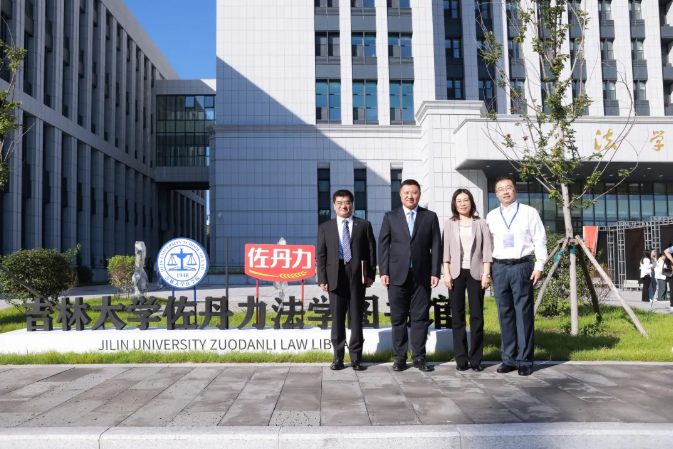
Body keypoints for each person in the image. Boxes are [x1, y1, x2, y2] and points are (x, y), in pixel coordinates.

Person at [486, 177, 547, 377]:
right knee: (504, 313)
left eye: (508, 188)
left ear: (515, 190)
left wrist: (539, 265)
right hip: (499, 267)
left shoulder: (529, 212)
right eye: (500, 189)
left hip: (522, 266)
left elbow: (540, 240)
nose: (505, 192)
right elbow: (488, 245)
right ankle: (508, 359)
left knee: (523, 313)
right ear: (496, 194)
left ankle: (525, 360)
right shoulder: (491, 216)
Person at [379, 179, 441, 372]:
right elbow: (383, 245)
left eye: (414, 192)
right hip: (397, 275)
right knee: (398, 318)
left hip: (422, 275)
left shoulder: (429, 216)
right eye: (406, 192)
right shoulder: (391, 216)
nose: (410, 196)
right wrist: (384, 271)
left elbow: (436, 245)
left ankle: (419, 357)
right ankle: (399, 357)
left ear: (419, 194)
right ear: (400, 195)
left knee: (420, 318)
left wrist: (435, 272)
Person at [317, 189, 377, 371]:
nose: (344, 206)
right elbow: (321, 255)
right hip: (335, 274)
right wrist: (322, 278)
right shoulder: (325, 227)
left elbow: (371, 251)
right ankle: (338, 358)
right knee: (337, 318)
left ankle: (356, 358)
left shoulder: (364, 225)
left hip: (357, 274)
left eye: (347, 202)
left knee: (356, 317)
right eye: (340, 203)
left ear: (352, 204)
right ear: (334, 205)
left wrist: (370, 275)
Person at [443, 189, 492, 372]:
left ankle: (476, 359)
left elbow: (487, 250)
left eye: (466, 200)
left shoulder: (481, 223)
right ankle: (461, 359)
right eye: (459, 201)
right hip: (455, 273)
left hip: (476, 273)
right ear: (454, 204)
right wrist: (446, 273)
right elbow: (445, 251)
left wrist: (486, 274)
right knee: (457, 317)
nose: (462, 203)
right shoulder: (450, 223)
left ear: (471, 202)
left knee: (477, 316)